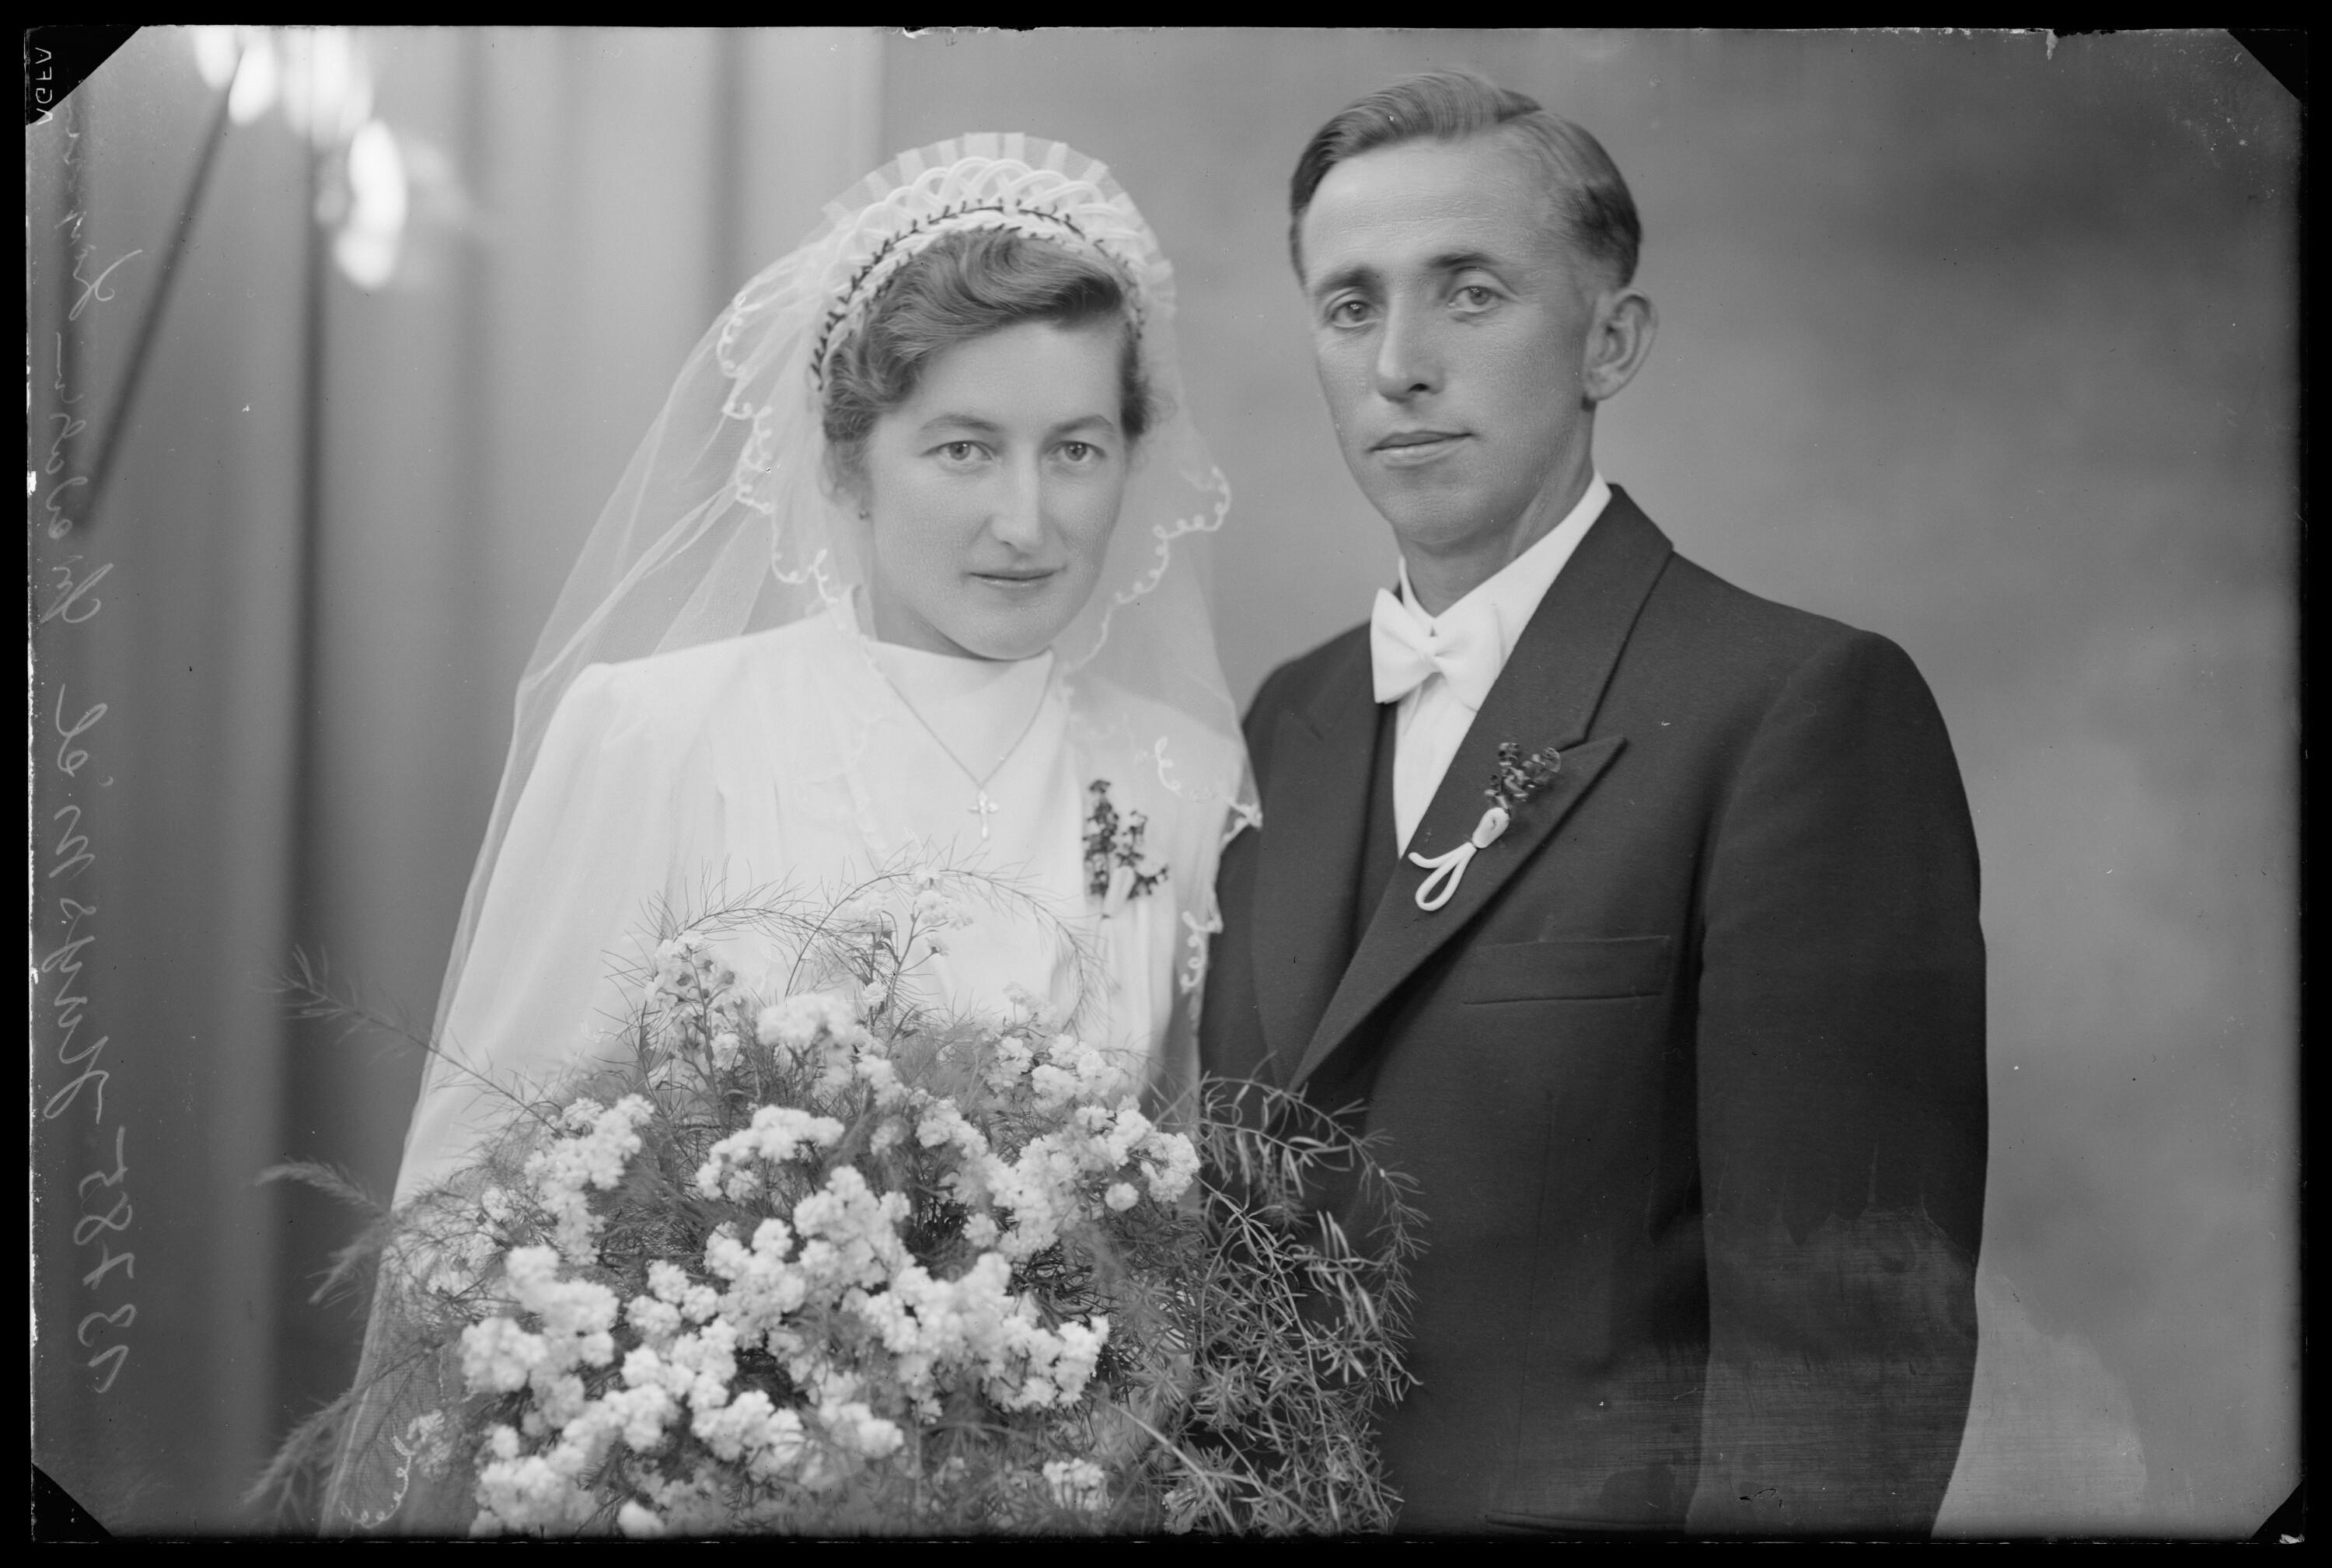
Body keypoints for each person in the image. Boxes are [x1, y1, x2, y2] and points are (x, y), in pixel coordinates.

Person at [320, 134, 1250, 1533]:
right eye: (962, 448)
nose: (1026, 519)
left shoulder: (1181, 778)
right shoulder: (657, 729)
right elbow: (478, 1206)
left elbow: (1178, 1214)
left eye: (1075, 450)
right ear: (848, 463)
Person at [1199, 72, 1988, 1535]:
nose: (1400, 366)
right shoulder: (1284, 720)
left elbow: (1846, 1370)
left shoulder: (1799, 711)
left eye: (1472, 293)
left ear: (1610, 341)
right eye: (1351, 305)